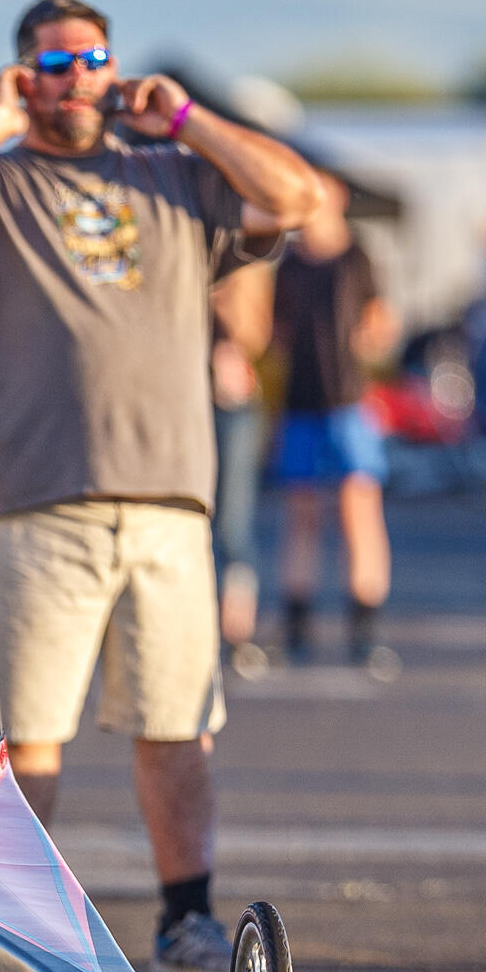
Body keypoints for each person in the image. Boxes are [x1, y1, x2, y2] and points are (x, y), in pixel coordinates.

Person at [0, 0, 322, 972]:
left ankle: (184, 917)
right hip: (23, 499)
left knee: (177, 722)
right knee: (23, 737)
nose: (72, 77)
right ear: (21, 72)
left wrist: (189, 121)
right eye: (50, 63)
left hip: (163, 501)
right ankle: (13, 927)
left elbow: (291, 199)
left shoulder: (170, 177)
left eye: (88, 58)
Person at [270, 174, 398, 671]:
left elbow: (380, 322)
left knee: (357, 507)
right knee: (300, 513)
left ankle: (365, 627)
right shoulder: (288, 265)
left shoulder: (356, 257)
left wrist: (372, 351)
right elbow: (276, 331)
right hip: (300, 403)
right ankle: (297, 625)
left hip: (348, 402)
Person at [212, 261, 275, 677]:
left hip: (232, 405)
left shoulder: (248, 261)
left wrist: (225, 296)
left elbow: (256, 334)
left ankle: (237, 633)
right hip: (180, 401)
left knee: (234, 525)